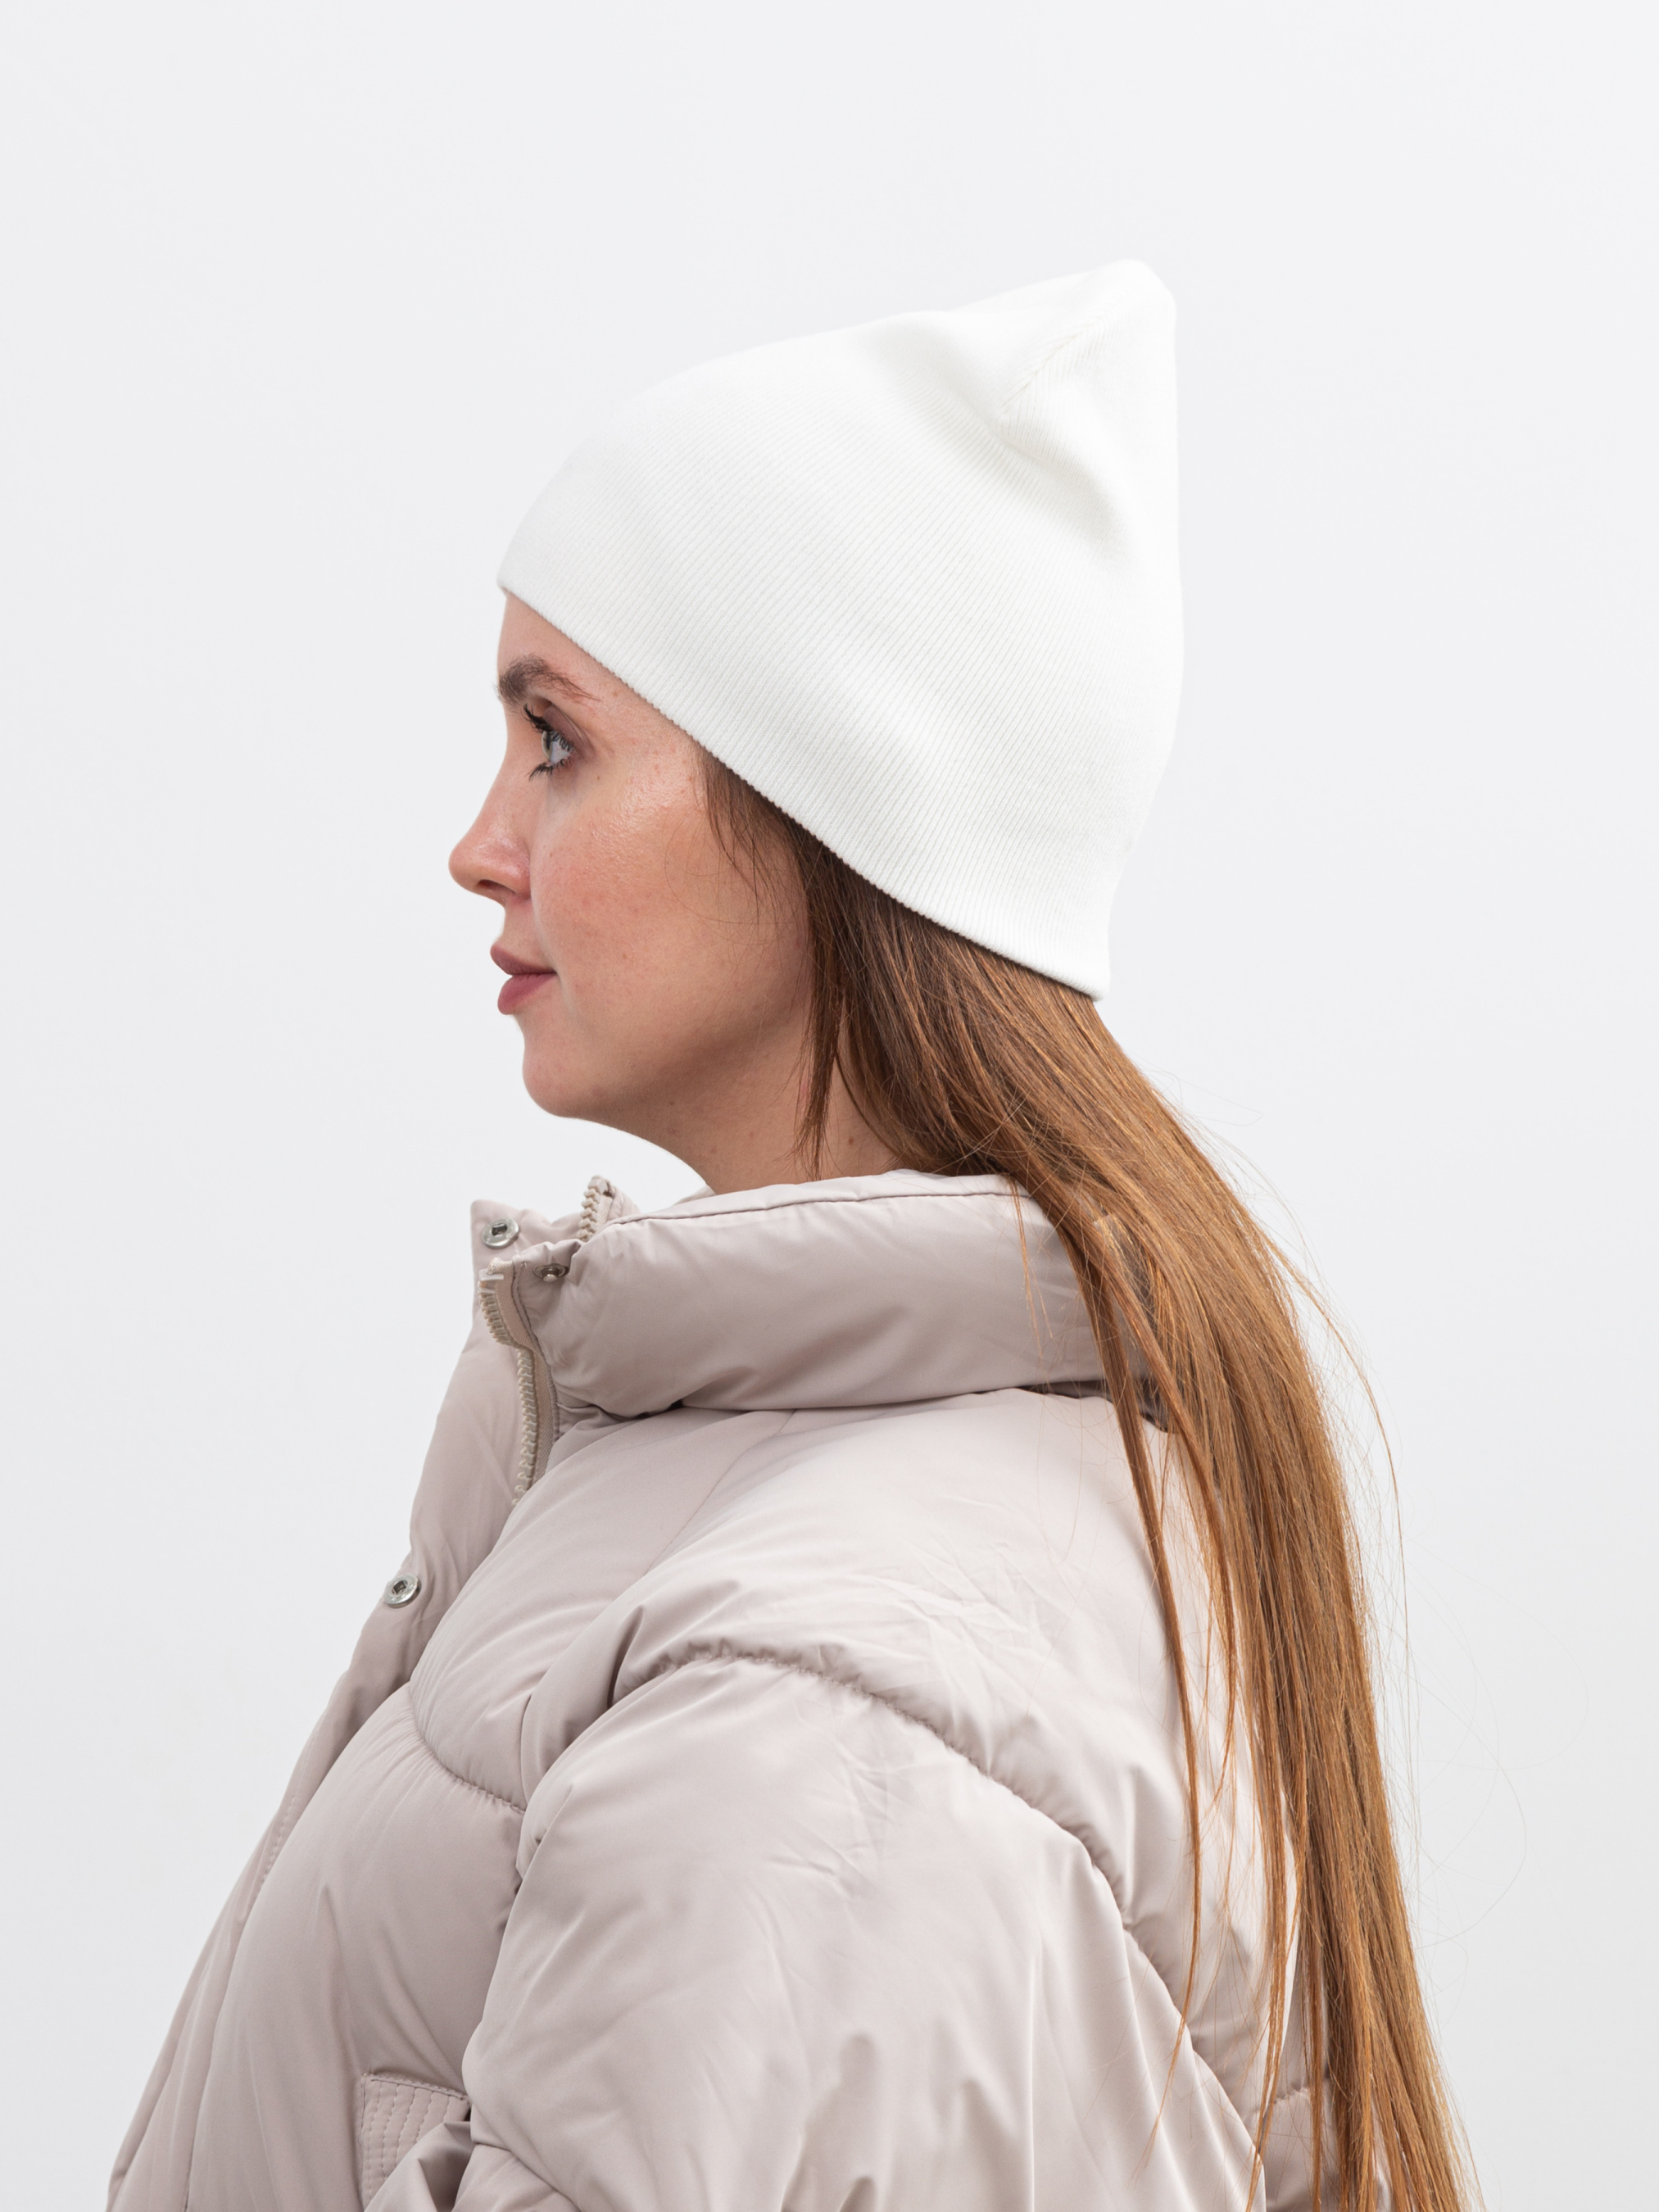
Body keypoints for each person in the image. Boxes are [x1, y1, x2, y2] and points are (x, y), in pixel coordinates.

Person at [109, 264, 1468, 2212]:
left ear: (831, 805)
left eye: (556, 740)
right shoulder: (812, 1516)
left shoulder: (810, 1699)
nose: (477, 845)